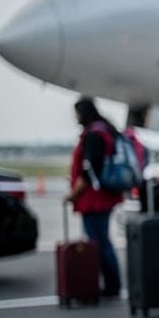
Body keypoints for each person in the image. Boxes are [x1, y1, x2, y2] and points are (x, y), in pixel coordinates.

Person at [65, 97, 125, 300]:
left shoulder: (94, 135)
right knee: (101, 241)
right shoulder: (102, 130)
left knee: (98, 242)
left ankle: (112, 285)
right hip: (99, 197)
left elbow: (89, 171)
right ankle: (110, 284)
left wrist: (73, 194)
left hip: (95, 199)